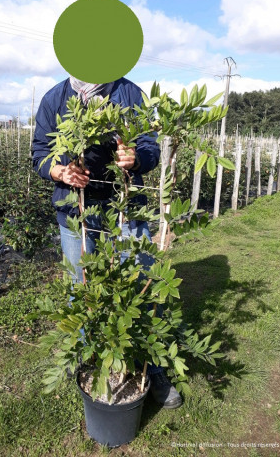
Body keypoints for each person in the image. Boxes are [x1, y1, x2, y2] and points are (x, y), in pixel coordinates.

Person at [32, 76, 182, 409]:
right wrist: (60, 172)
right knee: (80, 288)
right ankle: (88, 362)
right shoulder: (56, 98)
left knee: (139, 283)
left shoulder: (130, 93)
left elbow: (150, 147)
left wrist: (135, 159)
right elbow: (40, 154)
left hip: (125, 206)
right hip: (77, 207)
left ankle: (150, 366)